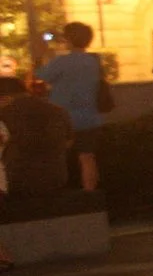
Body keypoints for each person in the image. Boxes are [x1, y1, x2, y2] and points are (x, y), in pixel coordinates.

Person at [37, 22, 106, 192]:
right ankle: (91, 195)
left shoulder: (62, 61)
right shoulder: (93, 61)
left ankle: (64, 197)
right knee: (87, 157)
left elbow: (42, 76)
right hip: (90, 117)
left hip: (63, 116)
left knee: (60, 157)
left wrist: (43, 53)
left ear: (68, 39)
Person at [0, 75, 73, 199]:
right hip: (56, 178)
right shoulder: (58, 110)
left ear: (3, 98)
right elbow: (69, 142)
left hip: (14, 182)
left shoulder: (4, 113)